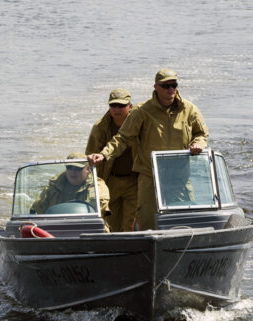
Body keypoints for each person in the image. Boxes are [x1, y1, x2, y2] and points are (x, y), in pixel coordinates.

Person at [87, 68, 209, 230]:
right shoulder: (142, 111)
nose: (170, 89)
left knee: (185, 220)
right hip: (149, 175)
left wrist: (199, 143)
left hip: (179, 175)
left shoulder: (189, 109)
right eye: (165, 86)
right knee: (147, 222)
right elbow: (123, 138)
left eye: (174, 85)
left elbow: (201, 133)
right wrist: (104, 154)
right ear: (156, 87)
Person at [85, 88, 138, 232]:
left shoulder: (139, 122)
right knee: (110, 223)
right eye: (113, 105)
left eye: (121, 106)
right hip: (111, 181)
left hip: (134, 180)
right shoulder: (100, 127)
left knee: (129, 224)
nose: (117, 109)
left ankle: (131, 251)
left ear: (130, 106)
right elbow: (90, 154)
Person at [31, 152, 110, 229]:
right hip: (57, 226)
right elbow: (38, 209)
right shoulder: (54, 185)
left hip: (89, 227)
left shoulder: (97, 186)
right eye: (69, 167)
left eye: (78, 168)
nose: (73, 171)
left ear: (88, 169)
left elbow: (100, 208)